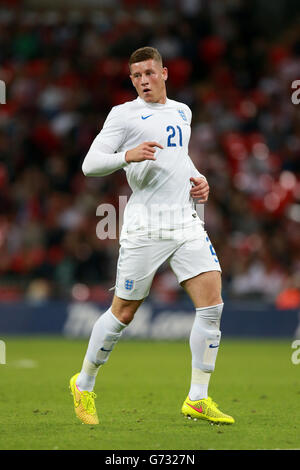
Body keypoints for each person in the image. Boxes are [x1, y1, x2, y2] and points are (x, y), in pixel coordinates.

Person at [69, 47, 234, 425]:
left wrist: (199, 178)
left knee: (212, 305)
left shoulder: (182, 111)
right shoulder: (122, 115)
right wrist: (127, 155)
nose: (143, 81)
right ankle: (85, 383)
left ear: (164, 73)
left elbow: (180, 156)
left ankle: (197, 398)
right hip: (145, 227)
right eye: (136, 76)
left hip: (185, 223)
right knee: (123, 312)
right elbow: (90, 164)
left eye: (148, 73)